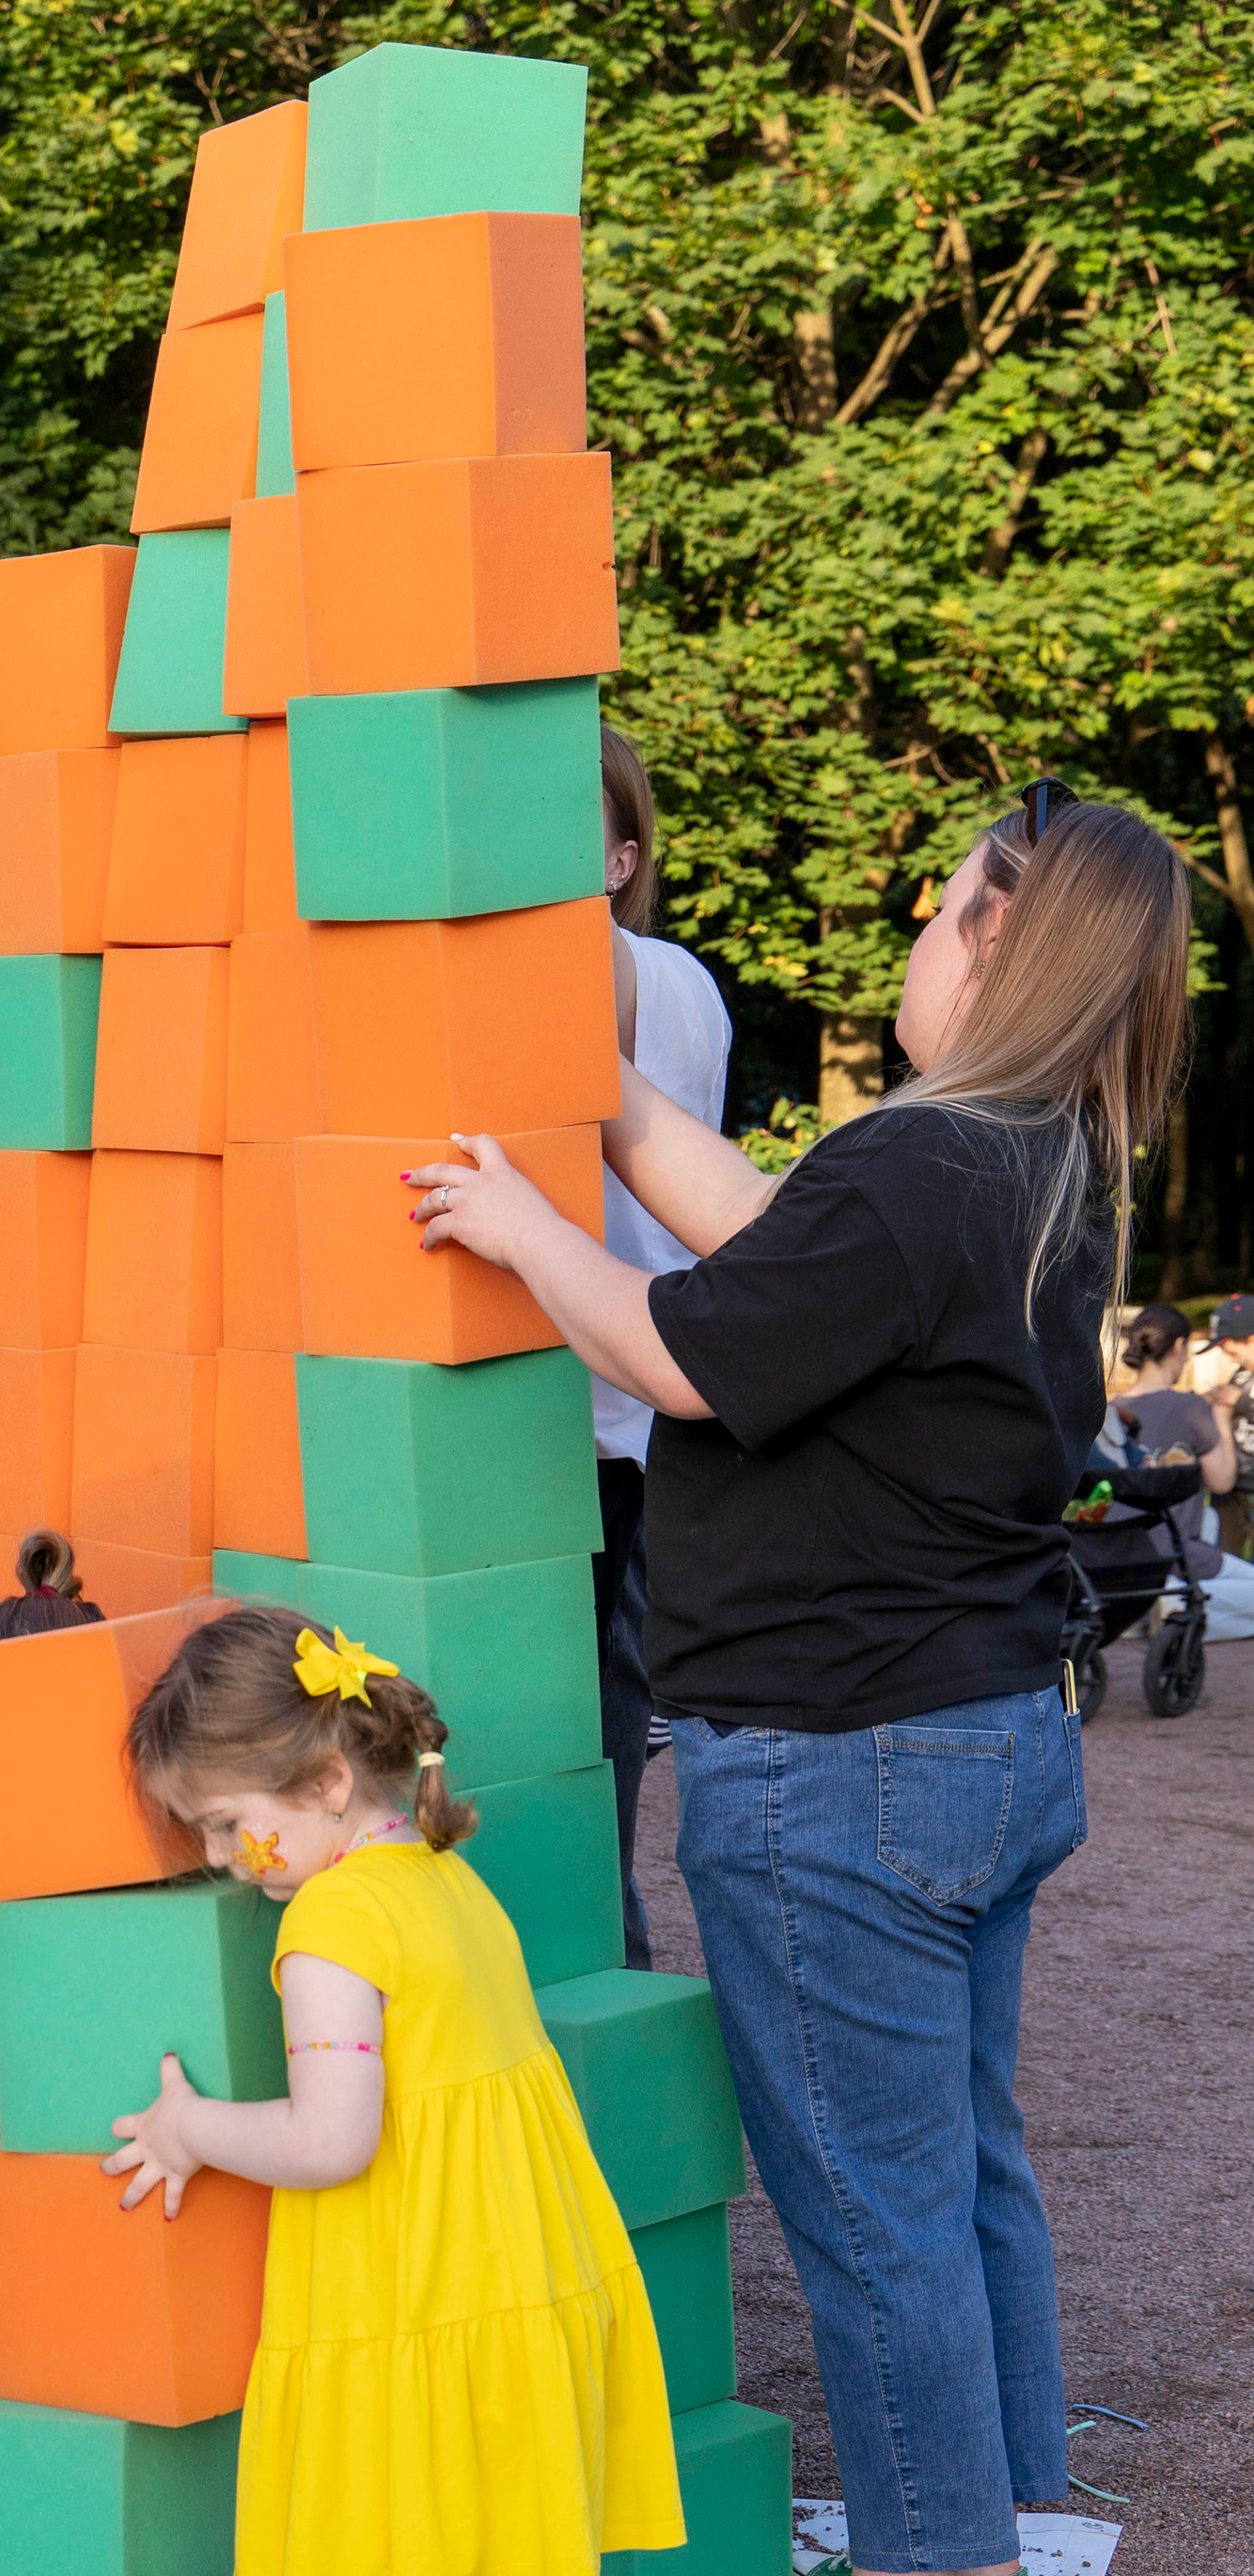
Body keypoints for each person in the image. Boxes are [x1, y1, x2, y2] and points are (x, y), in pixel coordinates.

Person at [404, 788, 1187, 2576]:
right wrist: (596, 1096)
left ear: (997, 945)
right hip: (977, 1736)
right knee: (953, 2167)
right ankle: (977, 2550)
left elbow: (685, 1350)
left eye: (940, 907)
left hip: (845, 1761)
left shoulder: (926, 1159)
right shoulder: (1034, 1163)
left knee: (865, 2202)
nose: (913, 938)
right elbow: (773, 1247)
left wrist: (519, 1227)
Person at [106, 1607, 681, 2576]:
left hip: (421, 2292)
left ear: (319, 1784)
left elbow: (330, 2138)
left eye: (228, 1825)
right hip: (507, 2277)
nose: (220, 1860)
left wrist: (190, 2130)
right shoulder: (438, 1875)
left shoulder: (330, 1921)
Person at [592, 727, 732, 1968]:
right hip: (655, 1399)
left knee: (568, 1721)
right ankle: (613, 1955)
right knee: (612, 1711)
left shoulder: (585, 973)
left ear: (621, 858)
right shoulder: (688, 978)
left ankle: (599, 1959)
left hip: (582, 1402)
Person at [1081, 1300, 1254, 1638]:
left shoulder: (1112, 1411)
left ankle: (1154, 1609)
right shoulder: (1189, 1406)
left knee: (1210, 1518)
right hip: (1171, 1550)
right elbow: (1222, 1481)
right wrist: (1220, 1414)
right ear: (1178, 1347)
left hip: (1118, 1552)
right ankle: (1175, 1603)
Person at [1193, 1291, 1254, 1553]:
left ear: (1251, 1339)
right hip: (1231, 1483)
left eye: (1232, 1351)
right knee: (1227, 1554)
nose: (1230, 1358)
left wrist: (1240, 1401)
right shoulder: (1241, 1374)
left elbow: (1240, 1402)